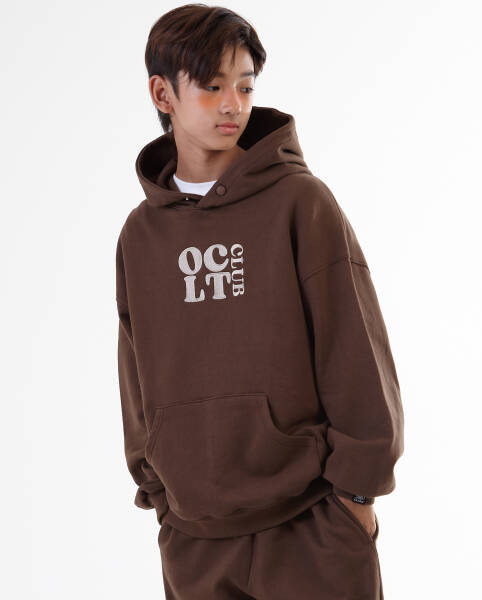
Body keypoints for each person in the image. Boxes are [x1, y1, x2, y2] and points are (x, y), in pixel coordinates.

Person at [115, 4, 404, 599]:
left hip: (312, 525)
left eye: (245, 86)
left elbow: (354, 349)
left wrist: (356, 495)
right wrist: (159, 494)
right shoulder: (141, 236)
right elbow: (134, 371)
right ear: (163, 94)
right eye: (212, 86)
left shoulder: (301, 203)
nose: (233, 105)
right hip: (195, 539)